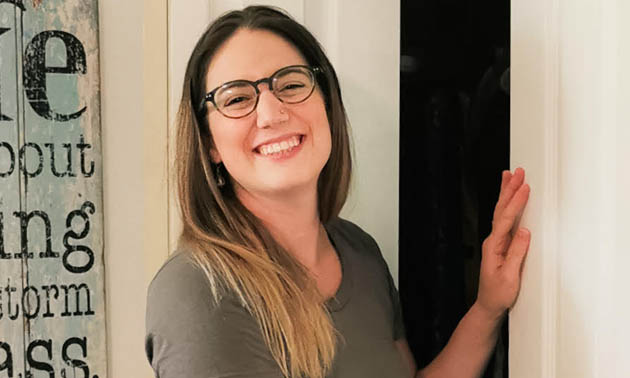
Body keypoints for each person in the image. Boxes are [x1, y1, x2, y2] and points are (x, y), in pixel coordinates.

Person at [144, 6, 531, 378]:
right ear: (209, 143)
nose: (271, 112)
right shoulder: (198, 292)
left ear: (327, 105)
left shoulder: (360, 253)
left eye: (292, 84)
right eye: (237, 98)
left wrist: (487, 307)